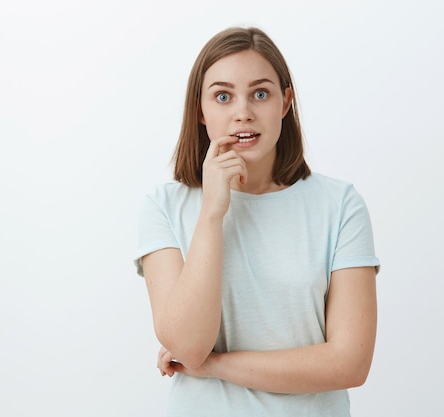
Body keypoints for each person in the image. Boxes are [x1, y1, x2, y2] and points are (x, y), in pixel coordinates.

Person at [134, 26, 380, 417]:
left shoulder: (339, 205)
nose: (243, 112)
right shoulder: (164, 206)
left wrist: (215, 366)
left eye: (260, 93)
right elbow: (189, 346)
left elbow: (349, 363)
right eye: (223, 96)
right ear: (200, 109)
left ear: (285, 103)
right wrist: (213, 212)